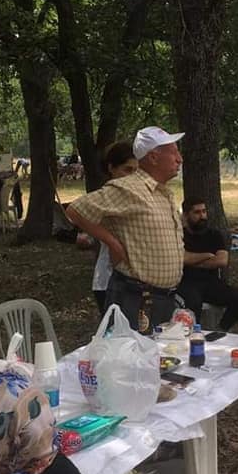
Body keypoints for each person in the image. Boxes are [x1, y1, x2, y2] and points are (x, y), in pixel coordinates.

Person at [67, 126, 184, 329]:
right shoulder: (129, 188)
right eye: (173, 152)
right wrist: (111, 241)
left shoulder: (163, 192)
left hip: (163, 298)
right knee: (130, 350)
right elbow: (76, 210)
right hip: (135, 298)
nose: (179, 159)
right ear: (153, 157)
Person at [177, 198, 238, 331]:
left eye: (204, 211)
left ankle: (220, 331)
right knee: (193, 302)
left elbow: (222, 261)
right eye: (197, 212)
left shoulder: (214, 235)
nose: (202, 216)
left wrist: (192, 260)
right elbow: (181, 258)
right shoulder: (180, 236)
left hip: (211, 282)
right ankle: (193, 334)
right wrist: (207, 255)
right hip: (187, 282)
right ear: (186, 215)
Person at [91, 141, 139, 315]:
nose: (132, 176)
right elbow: (77, 214)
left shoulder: (133, 196)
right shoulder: (105, 198)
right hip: (109, 281)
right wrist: (112, 242)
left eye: (136, 171)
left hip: (133, 280)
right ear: (111, 168)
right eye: (127, 170)